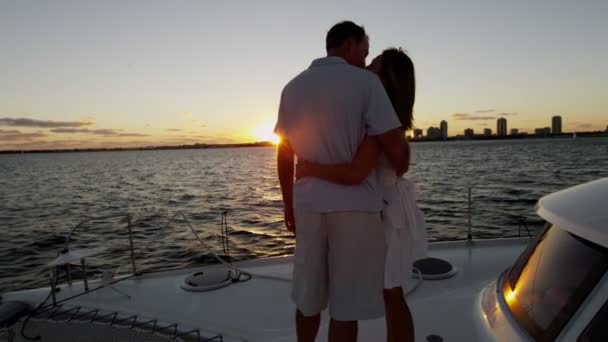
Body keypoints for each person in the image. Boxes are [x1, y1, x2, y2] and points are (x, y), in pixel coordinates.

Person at [274, 21, 410, 342]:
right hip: (355, 211)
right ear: (349, 44)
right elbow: (397, 153)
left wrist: (288, 203)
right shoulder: (365, 83)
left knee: (308, 297)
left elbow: (283, 153)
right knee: (346, 307)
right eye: (364, 50)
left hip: (307, 206)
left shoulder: (291, 87)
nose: (365, 58)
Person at [296, 48, 427, 342]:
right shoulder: (385, 119)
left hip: (386, 214)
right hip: (380, 208)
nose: (365, 69)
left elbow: (356, 173)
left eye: (374, 67)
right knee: (389, 292)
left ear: (386, 81)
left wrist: (310, 168)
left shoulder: (380, 123)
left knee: (391, 293)